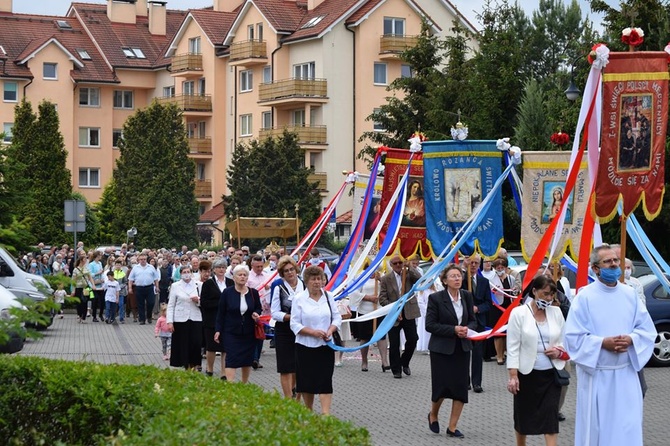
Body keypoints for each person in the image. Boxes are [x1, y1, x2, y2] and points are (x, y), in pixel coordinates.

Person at [564, 244, 655, 446]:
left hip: (626, 375)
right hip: (598, 376)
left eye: (615, 260)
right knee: (599, 430)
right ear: (595, 268)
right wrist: (601, 343)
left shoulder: (629, 294)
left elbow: (647, 330)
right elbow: (572, 338)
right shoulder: (584, 297)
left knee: (628, 427)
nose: (614, 264)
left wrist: (632, 339)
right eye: (608, 261)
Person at [507, 275, 568, 446]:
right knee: (523, 416)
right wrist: (513, 375)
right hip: (526, 374)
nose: (548, 299)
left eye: (551, 295)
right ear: (534, 291)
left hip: (551, 374)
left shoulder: (556, 312)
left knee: (550, 418)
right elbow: (512, 346)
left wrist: (558, 351)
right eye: (545, 294)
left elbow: (565, 340)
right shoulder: (519, 313)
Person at [426, 265, 477, 439]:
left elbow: (473, 320)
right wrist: (453, 329)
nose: (457, 279)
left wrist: (466, 329)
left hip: (462, 348)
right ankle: (433, 413)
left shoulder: (467, 296)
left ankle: (452, 427)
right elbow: (430, 325)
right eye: (453, 276)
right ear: (445, 280)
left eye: (459, 276)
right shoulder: (436, 299)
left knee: (460, 387)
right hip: (441, 350)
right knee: (442, 387)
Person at [290, 266, 341, 415]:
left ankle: (326, 413)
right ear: (306, 281)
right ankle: (309, 410)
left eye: (319, 279)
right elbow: (294, 323)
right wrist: (312, 332)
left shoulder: (328, 296)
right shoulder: (299, 299)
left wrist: (330, 330)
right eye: (313, 279)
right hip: (305, 346)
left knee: (325, 379)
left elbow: (337, 317)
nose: (317, 282)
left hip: (325, 346)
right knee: (307, 381)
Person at [214, 264, 262, 383]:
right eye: (239, 275)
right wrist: (218, 330)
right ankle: (230, 384)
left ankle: (244, 384)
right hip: (230, 331)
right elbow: (221, 313)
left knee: (247, 359)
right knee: (231, 358)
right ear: (234, 277)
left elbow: (258, 307)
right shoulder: (227, 292)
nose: (242, 277)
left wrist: (256, 313)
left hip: (248, 331)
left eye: (245, 275)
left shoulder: (253, 292)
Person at [379, 254, 421, 379]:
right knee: (394, 343)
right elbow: (382, 299)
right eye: (395, 263)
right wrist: (394, 311)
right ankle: (396, 369)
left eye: (400, 263)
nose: (398, 265)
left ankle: (405, 362)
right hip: (394, 316)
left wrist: (410, 268)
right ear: (391, 265)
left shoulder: (409, 275)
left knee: (413, 339)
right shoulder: (386, 278)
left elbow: (420, 279)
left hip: (409, 312)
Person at [270, 256, 305, 398]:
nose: (290, 273)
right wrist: (290, 317)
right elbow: (274, 313)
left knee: (298, 365)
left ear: (296, 270)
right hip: (284, 330)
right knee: (285, 367)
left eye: (292, 269)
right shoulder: (279, 288)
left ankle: (296, 396)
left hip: (302, 330)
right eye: (286, 271)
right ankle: (287, 398)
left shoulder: (305, 285)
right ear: (282, 274)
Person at [461, 254, 493, 392]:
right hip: (464, 321)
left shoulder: (484, 282)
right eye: (471, 262)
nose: (473, 265)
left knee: (477, 353)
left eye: (476, 263)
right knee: (464, 352)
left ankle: (477, 382)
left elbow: (488, 303)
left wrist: (478, 308)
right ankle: (465, 381)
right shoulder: (461, 280)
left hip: (479, 321)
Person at [349, 268, 390, 372]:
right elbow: (354, 292)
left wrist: (381, 279)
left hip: (379, 310)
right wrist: (368, 297)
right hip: (365, 311)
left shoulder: (382, 274)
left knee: (382, 336)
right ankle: (364, 361)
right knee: (365, 337)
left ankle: (384, 361)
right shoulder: (361, 276)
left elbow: (389, 288)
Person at [166, 266, 203, 370]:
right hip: (180, 319)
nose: (186, 274)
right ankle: (185, 366)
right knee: (183, 344)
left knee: (195, 344)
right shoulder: (175, 286)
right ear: (181, 274)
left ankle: (194, 365)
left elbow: (205, 302)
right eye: (184, 272)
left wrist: (198, 301)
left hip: (195, 318)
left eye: (188, 272)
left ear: (191, 273)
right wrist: (170, 322)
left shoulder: (199, 285)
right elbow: (171, 305)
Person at [200, 259, 227, 378]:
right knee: (211, 346)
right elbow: (204, 303)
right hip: (211, 319)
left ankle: (224, 372)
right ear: (214, 270)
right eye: (219, 267)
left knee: (225, 347)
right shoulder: (208, 284)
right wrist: (220, 303)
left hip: (227, 320)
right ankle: (209, 368)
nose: (221, 269)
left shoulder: (231, 282)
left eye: (223, 267)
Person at [488, 257, 517, 365]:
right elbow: (489, 293)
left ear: (505, 268)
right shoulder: (491, 279)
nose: (500, 269)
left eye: (502, 267)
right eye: (498, 267)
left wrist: (515, 293)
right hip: (496, 308)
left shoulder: (511, 278)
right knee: (498, 333)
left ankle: (505, 353)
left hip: (508, 308)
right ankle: (499, 356)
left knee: (508, 332)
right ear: (495, 268)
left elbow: (514, 292)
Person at [247, 255, 272, 370]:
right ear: (252, 265)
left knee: (260, 334)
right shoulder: (247, 277)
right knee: (252, 334)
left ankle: (256, 359)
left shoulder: (267, 276)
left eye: (261, 266)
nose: (260, 269)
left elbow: (271, 291)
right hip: (252, 309)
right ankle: (253, 358)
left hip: (264, 309)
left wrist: (268, 288)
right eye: (257, 267)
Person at [128, 253, 160, 325]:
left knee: (151, 303)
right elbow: (130, 279)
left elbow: (156, 279)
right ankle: (142, 319)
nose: (143, 261)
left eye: (144, 259)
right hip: (139, 288)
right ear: (139, 260)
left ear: (146, 260)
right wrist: (130, 288)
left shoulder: (151, 267)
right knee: (140, 304)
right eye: (141, 259)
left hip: (149, 287)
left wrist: (157, 287)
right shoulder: (135, 268)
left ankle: (148, 316)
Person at [72, 256, 93, 323]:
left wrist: (93, 285)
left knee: (85, 302)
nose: (85, 261)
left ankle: (83, 317)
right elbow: (74, 281)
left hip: (85, 288)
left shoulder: (86, 268)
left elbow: (90, 277)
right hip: (78, 288)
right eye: (84, 259)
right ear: (81, 260)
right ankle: (79, 315)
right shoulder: (75, 270)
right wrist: (73, 290)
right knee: (79, 303)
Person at [88, 251, 105, 322]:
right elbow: (90, 274)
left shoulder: (100, 263)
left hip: (100, 284)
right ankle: (94, 316)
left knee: (102, 301)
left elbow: (101, 272)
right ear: (97, 256)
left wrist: (102, 277)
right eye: (100, 255)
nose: (101, 257)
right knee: (94, 301)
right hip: (93, 285)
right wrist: (97, 273)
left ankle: (101, 314)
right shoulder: (91, 264)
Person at [112, 259, 128, 324]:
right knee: (113, 305)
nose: (118, 266)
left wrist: (120, 286)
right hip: (113, 292)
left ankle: (121, 318)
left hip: (121, 292)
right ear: (115, 266)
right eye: (117, 265)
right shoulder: (113, 273)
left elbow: (125, 282)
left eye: (119, 265)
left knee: (121, 304)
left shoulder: (123, 273)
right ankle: (112, 317)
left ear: (121, 266)